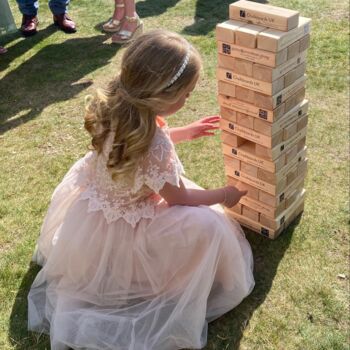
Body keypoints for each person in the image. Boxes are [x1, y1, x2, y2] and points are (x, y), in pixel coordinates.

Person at [27, 30, 254, 350]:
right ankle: (164, 281)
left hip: (95, 210)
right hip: (133, 220)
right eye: (186, 94)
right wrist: (223, 195)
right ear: (160, 95)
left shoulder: (117, 105)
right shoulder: (154, 143)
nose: (188, 99)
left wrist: (184, 132)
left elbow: (139, 144)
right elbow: (180, 197)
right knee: (210, 225)